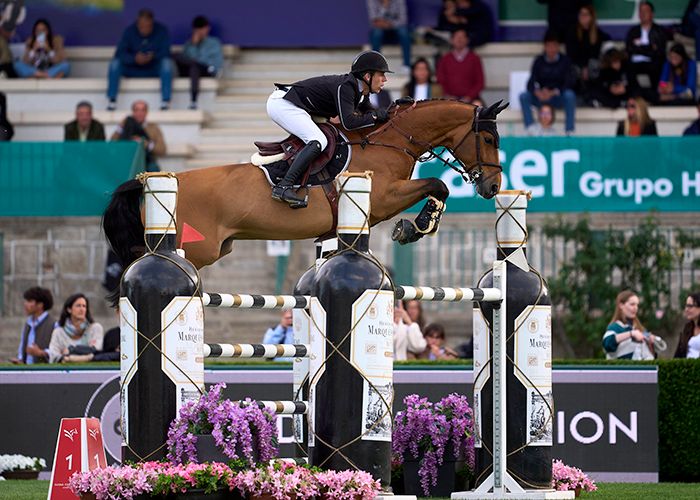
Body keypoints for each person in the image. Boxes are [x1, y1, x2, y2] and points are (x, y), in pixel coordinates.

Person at [266, 50, 391, 208]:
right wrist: (375, 116)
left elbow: (372, 112)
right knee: (318, 140)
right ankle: (283, 186)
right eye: (382, 75)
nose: (385, 79)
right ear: (367, 76)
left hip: (299, 106)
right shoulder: (346, 86)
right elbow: (349, 123)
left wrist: (392, 111)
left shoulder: (360, 91)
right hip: (283, 104)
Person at [107, 8, 172, 111]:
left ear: (152, 23)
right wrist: (134, 59)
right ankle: (112, 101)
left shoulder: (161, 31)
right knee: (115, 64)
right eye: (142, 26)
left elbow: (166, 52)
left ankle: (165, 102)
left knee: (167, 64)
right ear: (137, 24)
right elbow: (119, 54)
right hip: (133, 69)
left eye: (148, 26)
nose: (144, 29)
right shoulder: (129, 31)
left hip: (152, 68)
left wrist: (152, 57)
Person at [519, 30, 576, 135]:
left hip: (557, 97)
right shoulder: (539, 61)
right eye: (548, 46)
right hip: (542, 98)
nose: (551, 49)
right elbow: (530, 83)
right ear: (544, 47)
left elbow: (569, 82)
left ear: (558, 47)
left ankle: (569, 131)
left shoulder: (565, 61)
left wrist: (554, 92)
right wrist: (538, 92)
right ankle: (531, 129)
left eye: (554, 46)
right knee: (524, 96)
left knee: (570, 95)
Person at [174, 15, 223, 110]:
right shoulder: (189, 44)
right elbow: (185, 60)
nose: (200, 32)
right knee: (176, 56)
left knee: (194, 66)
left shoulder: (214, 43)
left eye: (202, 28)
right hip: (190, 70)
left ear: (207, 28)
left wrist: (196, 60)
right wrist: (194, 45)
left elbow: (216, 63)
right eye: (198, 29)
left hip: (208, 70)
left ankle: (193, 101)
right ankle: (193, 102)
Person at [625, 1, 668, 103]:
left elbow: (659, 52)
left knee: (658, 65)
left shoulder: (659, 31)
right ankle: (635, 98)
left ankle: (654, 99)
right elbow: (630, 49)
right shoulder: (633, 31)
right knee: (627, 67)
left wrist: (639, 48)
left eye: (646, 11)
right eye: (641, 11)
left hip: (653, 63)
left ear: (652, 14)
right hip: (635, 63)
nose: (643, 14)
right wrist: (649, 48)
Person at [565, 4, 610, 98]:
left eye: (586, 14)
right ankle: (578, 96)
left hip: (591, 67)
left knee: (594, 66)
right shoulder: (572, 32)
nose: (583, 17)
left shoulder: (598, 34)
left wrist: (587, 66)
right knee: (572, 69)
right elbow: (571, 54)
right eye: (581, 14)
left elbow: (596, 54)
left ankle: (594, 96)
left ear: (592, 16)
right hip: (576, 65)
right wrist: (583, 67)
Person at [47, 293, 104, 363]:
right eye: (78, 306)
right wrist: (86, 355)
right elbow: (54, 356)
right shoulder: (58, 332)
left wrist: (70, 351)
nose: (82, 309)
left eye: (84, 306)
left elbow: (96, 351)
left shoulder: (95, 328)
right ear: (69, 309)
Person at [111, 100, 166, 171]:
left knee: (154, 169)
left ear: (146, 112)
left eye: (142, 110)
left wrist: (145, 144)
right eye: (137, 110)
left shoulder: (154, 128)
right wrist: (121, 128)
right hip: (127, 161)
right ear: (133, 112)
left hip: (147, 162)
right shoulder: (126, 125)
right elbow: (112, 144)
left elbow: (162, 150)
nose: (139, 113)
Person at [602, 290, 657, 360]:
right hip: (622, 370)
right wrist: (631, 334)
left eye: (637, 305)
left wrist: (651, 343)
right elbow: (607, 343)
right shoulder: (615, 327)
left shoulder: (639, 329)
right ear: (621, 305)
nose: (635, 308)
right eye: (632, 304)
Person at [436, 29, 484, 102]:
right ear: (451, 40)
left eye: (462, 37)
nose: (459, 39)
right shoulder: (445, 59)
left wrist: (468, 97)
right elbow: (440, 80)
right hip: (449, 100)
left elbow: (480, 82)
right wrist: (448, 95)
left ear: (467, 40)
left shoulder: (475, 58)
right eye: (457, 37)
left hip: (471, 100)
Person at [9, 287, 55, 364]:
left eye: (29, 301)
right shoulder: (28, 324)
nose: (25, 304)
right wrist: (20, 359)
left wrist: (41, 353)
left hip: (44, 371)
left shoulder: (53, 324)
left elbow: (57, 351)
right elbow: (22, 347)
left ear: (40, 305)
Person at [366, 0, 411, 71]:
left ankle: (407, 65)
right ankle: (376, 66)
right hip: (380, 28)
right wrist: (384, 6)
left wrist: (390, 24)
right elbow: (374, 20)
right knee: (376, 33)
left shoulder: (399, 1)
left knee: (404, 33)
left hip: (395, 26)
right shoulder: (372, 1)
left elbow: (403, 20)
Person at [674, 292, 700, 358]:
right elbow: (678, 356)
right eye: (686, 306)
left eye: (690, 306)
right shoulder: (687, 328)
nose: (686, 309)